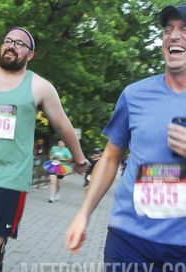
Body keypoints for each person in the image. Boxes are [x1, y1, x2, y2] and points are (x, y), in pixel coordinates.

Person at [0, 27, 90, 272]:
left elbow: (63, 125)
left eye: (20, 43)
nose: (12, 45)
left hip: (8, 181)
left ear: (30, 54)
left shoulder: (40, 87)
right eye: (8, 41)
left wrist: (78, 158)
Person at [65, 5, 186, 270]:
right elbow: (110, 158)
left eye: (184, 29)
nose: (174, 36)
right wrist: (83, 214)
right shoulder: (134, 95)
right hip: (128, 237)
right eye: (168, 30)